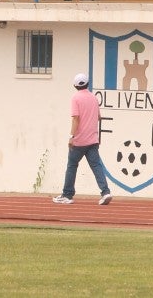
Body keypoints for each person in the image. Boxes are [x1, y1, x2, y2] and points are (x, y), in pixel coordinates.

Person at [52, 73, 112, 206]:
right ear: (87, 84)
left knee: (72, 166)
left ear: (75, 85)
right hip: (92, 139)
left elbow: (76, 118)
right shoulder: (93, 98)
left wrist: (71, 137)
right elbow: (98, 117)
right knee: (96, 166)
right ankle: (105, 191)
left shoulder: (75, 98)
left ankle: (67, 194)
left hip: (79, 140)